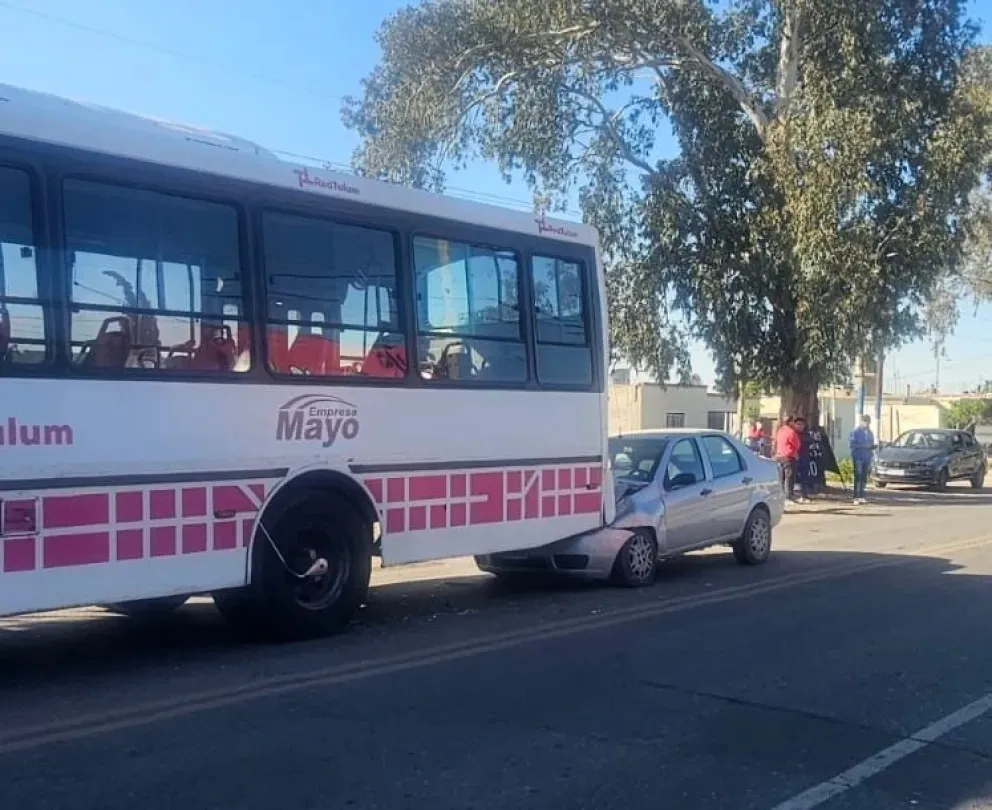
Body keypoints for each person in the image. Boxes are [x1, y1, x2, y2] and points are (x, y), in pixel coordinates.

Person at [774, 415, 803, 504]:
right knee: (789, 477)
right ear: (790, 422)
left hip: (779, 456)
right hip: (788, 457)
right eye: (793, 422)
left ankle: (781, 495)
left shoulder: (780, 430)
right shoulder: (791, 432)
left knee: (781, 477)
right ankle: (788, 496)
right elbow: (797, 445)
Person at [849, 414, 875, 505]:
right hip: (858, 457)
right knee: (858, 476)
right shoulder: (855, 432)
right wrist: (864, 446)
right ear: (861, 422)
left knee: (864, 476)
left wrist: (872, 447)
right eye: (865, 422)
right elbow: (852, 444)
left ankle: (861, 496)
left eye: (868, 422)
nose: (867, 424)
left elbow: (871, 443)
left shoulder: (870, 432)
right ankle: (856, 497)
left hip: (867, 456)